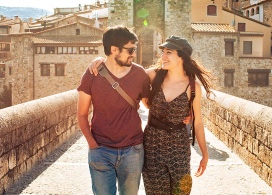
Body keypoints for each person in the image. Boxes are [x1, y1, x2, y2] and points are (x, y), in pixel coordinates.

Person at [89, 35, 212, 194]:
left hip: (179, 147)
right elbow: (123, 69)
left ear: (182, 56)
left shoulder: (193, 87)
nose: (163, 56)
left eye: (169, 52)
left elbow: (198, 123)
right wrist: (101, 61)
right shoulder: (152, 75)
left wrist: (205, 154)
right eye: (163, 52)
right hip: (152, 145)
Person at [77, 26, 150, 195]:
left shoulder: (140, 74)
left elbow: (150, 104)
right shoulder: (92, 75)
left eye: (134, 49)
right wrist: (93, 145)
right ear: (114, 49)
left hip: (133, 150)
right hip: (101, 150)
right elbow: (81, 114)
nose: (133, 54)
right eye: (130, 50)